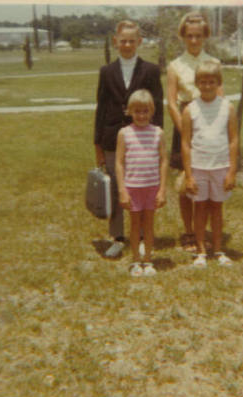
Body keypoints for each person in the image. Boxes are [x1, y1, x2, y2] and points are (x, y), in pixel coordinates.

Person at [94, 20, 163, 258]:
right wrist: (98, 144)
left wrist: (158, 142)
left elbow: (158, 108)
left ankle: (142, 235)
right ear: (115, 41)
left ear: (139, 42)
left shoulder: (151, 71)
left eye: (131, 41)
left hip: (143, 139)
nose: (126, 45)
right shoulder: (106, 72)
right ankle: (117, 236)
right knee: (116, 187)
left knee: (142, 187)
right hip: (113, 138)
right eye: (122, 40)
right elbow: (101, 108)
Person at [167, 11, 222, 253]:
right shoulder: (175, 65)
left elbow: (220, 98)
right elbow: (170, 101)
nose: (194, 41)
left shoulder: (214, 63)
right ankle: (189, 232)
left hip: (210, 124)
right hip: (185, 122)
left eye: (198, 36)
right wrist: (185, 131)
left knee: (207, 179)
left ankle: (204, 231)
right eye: (189, 36)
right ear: (183, 36)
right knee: (185, 182)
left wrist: (212, 130)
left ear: (205, 36)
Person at [181, 60, 238, 267]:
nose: (207, 86)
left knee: (216, 209)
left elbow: (233, 139)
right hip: (198, 167)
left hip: (220, 166)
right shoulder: (190, 109)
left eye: (211, 82)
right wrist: (188, 175)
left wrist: (231, 171)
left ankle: (218, 249)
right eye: (202, 82)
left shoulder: (227, 107)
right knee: (200, 208)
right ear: (197, 83)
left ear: (218, 82)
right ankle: (201, 252)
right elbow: (186, 143)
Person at [115, 90, 167, 276]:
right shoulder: (124, 133)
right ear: (130, 111)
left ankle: (148, 260)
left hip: (151, 187)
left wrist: (162, 189)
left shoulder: (157, 133)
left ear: (151, 111)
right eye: (137, 111)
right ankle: (136, 260)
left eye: (145, 111)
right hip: (133, 187)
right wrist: (122, 189)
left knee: (149, 225)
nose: (141, 115)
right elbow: (119, 163)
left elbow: (163, 160)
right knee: (135, 225)